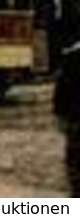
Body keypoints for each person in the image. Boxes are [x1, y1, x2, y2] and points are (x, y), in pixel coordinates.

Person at [53, 39, 80, 196]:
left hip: (75, 121)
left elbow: (61, 93)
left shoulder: (71, 57)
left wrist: (60, 116)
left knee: (75, 165)